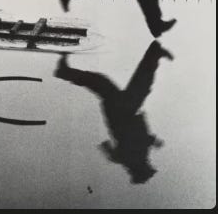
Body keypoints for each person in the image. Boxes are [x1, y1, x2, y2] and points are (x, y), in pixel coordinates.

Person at [54, 41, 174, 184]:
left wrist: (153, 141)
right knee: (127, 84)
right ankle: (155, 53)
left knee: (125, 84)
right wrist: (152, 141)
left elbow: (133, 144)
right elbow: (120, 148)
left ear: (142, 168)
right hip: (124, 111)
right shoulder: (132, 158)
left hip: (122, 113)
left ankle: (155, 53)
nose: (149, 163)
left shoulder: (133, 158)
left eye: (148, 167)